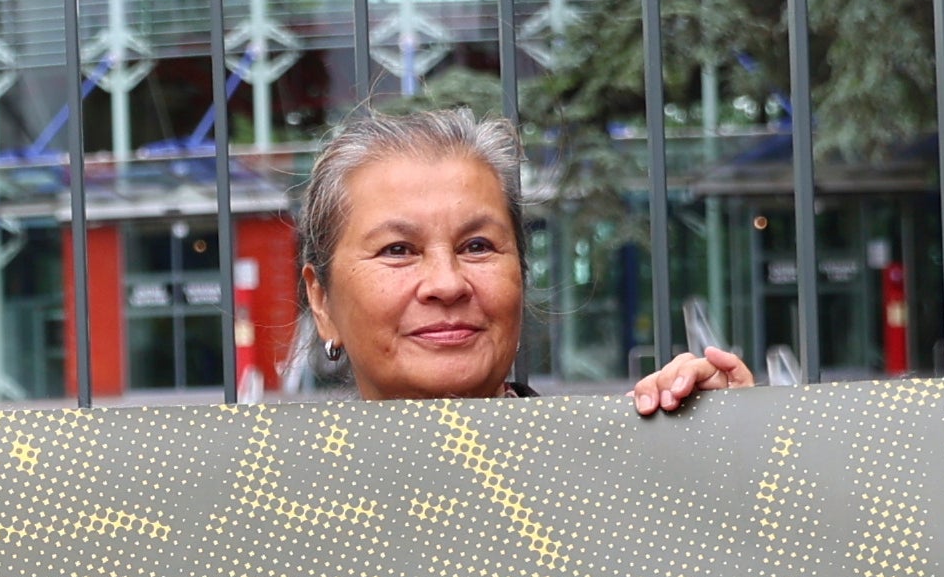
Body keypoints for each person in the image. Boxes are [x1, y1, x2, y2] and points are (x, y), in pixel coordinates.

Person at [289, 100, 748, 412]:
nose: (447, 284)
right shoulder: (267, 510)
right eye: (398, 250)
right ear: (322, 301)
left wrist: (728, 446)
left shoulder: (618, 475)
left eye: (477, 246)